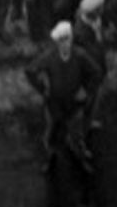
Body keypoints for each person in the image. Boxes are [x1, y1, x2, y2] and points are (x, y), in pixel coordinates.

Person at [27, 20, 101, 175]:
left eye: (67, 39)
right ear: (57, 42)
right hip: (54, 104)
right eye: (61, 41)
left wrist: (86, 90)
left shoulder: (80, 55)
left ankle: (80, 158)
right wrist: (42, 88)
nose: (64, 44)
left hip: (74, 105)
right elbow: (31, 70)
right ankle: (50, 158)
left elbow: (96, 73)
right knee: (52, 134)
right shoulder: (50, 56)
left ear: (71, 39)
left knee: (76, 134)